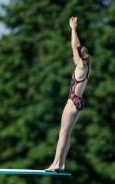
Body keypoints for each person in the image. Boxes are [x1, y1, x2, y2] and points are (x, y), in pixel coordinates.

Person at [46, 17, 91, 171]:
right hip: (80, 103)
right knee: (68, 132)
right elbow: (78, 46)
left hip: (72, 102)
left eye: (75, 56)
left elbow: (74, 47)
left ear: (79, 56)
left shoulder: (79, 65)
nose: (73, 57)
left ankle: (56, 163)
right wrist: (76, 28)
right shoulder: (87, 65)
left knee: (62, 132)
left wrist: (72, 29)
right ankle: (62, 163)